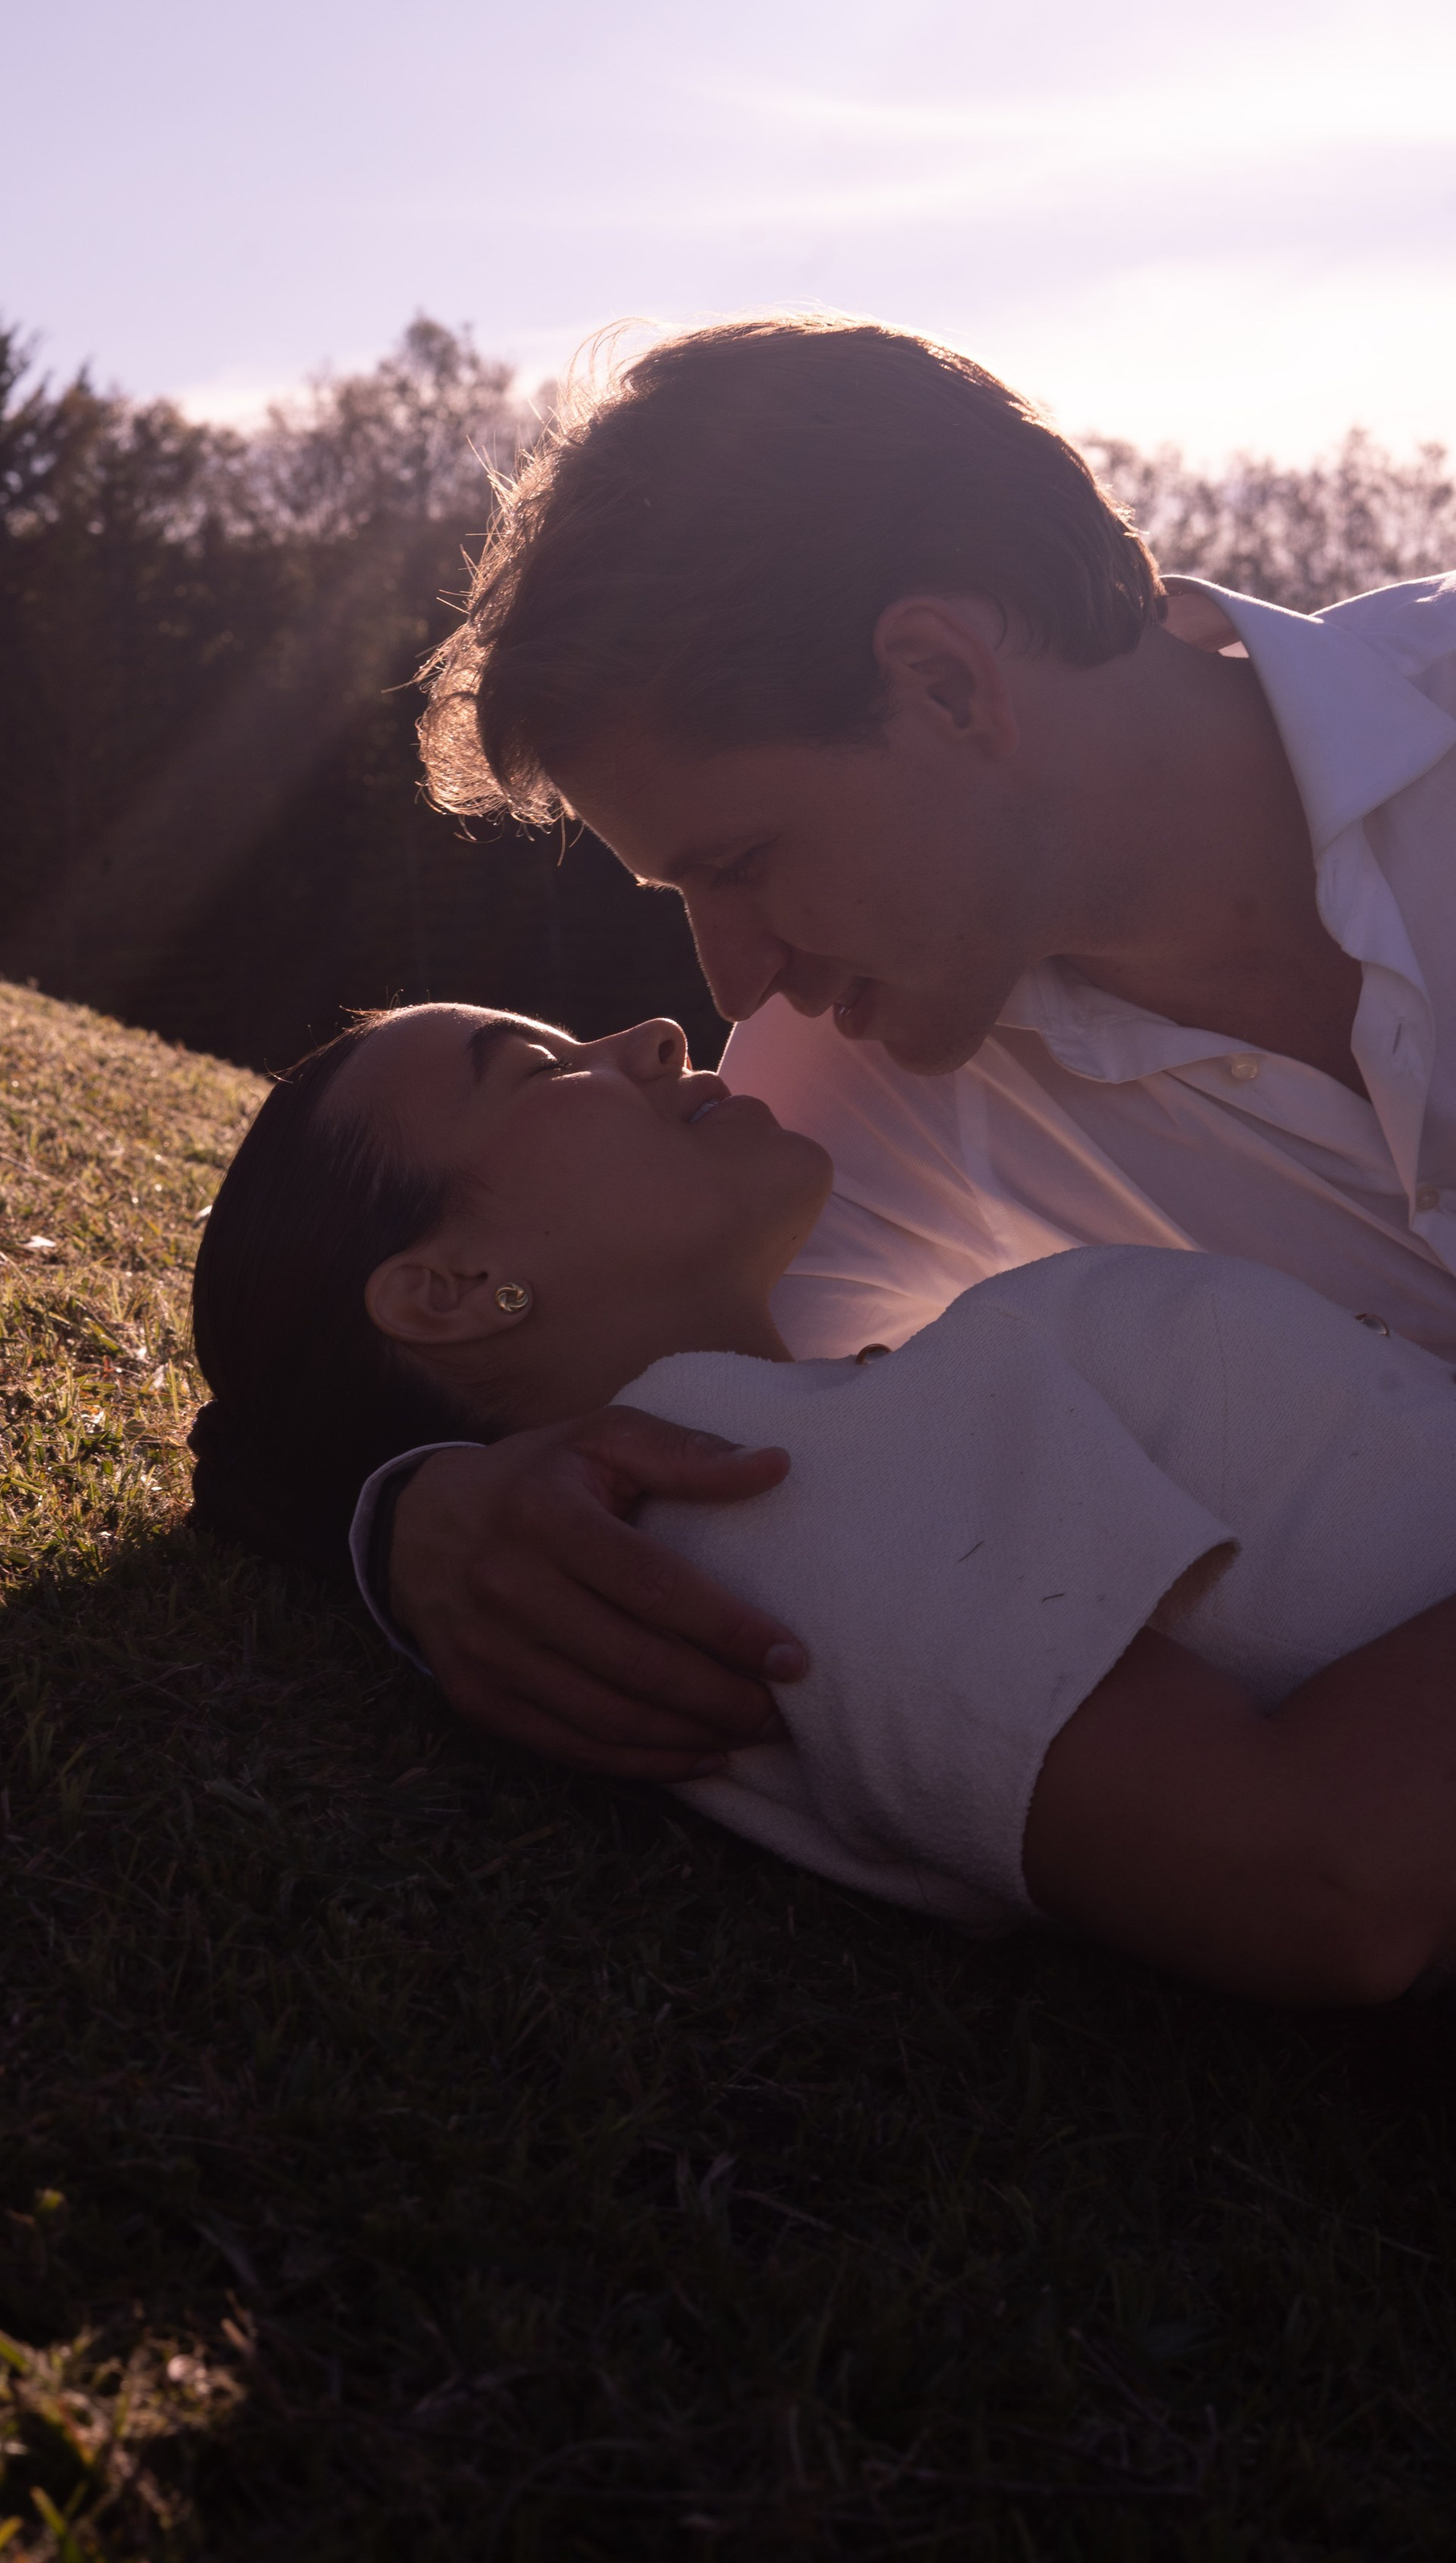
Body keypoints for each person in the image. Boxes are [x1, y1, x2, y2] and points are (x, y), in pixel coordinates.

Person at [351, 319, 1456, 1781]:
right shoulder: (848, 1078)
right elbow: (617, 1388)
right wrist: (415, 1517)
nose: (732, 976)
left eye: (741, 860)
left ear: (943, 681)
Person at [189, 1002, 1456, 2004]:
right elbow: (1321, 1879)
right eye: (533, 1065)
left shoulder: (802, 1431)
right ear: (454, 1285)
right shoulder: (740, 1509)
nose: (653, 1033)